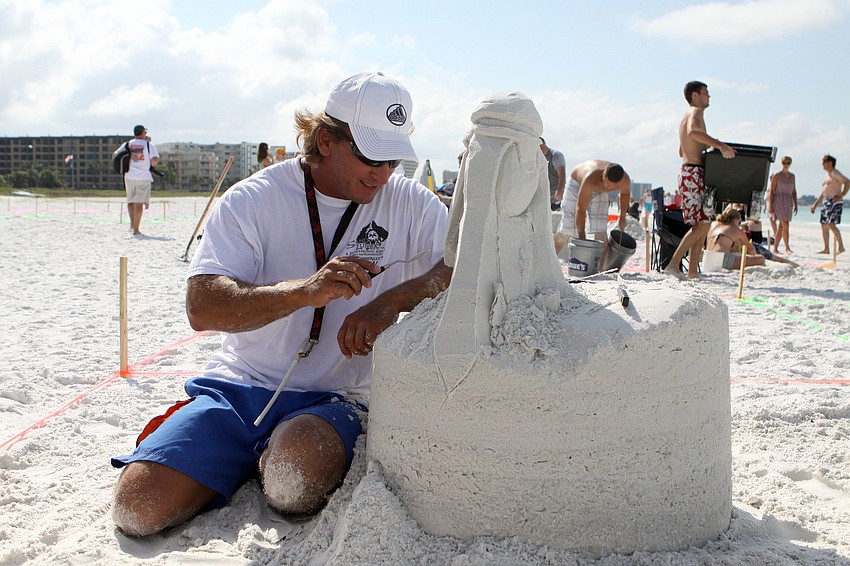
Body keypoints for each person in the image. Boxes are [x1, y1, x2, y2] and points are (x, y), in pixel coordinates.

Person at [110, 72, 453, 537]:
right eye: (372, 155)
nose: (383, 172)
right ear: (326, 140)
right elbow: (202, 307)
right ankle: (230, 452)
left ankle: (257, 458)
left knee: (292, 485)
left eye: (394, 157)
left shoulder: (412, 203)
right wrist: (303, 292)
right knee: (138, 509)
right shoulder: (253, 199)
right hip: (240, 385)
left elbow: (455, 271)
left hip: (339, 395)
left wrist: (391, 301)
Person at [663, 81, 736, 280]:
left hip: (691, 171)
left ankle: (693, 270)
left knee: (702, 223)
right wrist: (720, 146)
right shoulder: (695, 111)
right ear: (695, 95)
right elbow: (693, 133)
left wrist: (699, 150)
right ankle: (672, 264)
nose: (709, 96)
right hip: (692, 173)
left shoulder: (686, 116)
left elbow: (681, 149)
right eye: (706, 93)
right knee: (703, 225)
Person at [554, 160, 631, 268]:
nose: (608, 187)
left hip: (598, 191)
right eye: (606, 182)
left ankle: (598, 270)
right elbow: (580, 209)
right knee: (567, 229)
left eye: (611, 187)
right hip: (577, 184)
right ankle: (549, 262)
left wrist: (622, 217)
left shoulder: (624, 180)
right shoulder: (590, 178)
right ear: (603, 174)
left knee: (601, 232)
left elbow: (625, 194)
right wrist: (582, 238)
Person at [706, 207, 798, 269]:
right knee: (760, 258)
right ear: (735, 220)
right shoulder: (735, 229)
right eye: (740, 221)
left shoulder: (714, 224)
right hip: (722, 261)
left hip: (707, 258)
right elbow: (752, 249)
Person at [112, 125, 159, 235]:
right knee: (139, 204)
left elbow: (115, 154)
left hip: (129, 176)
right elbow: (154, 160)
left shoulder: (128, 144)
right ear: (143, 132)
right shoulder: (149, 145)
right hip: (143, 177)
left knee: (131, 202)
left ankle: (132, 225)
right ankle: (136, 229)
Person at [811, 154, 849, 255]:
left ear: (829, 163)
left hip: (834, 200)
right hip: (826, 201)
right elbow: (824, 192)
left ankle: (841, 247)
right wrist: (815, 204)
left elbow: (847, 182)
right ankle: (826, 248)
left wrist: (841, 195)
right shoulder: (827, 175)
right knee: (824, 225)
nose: (822, 165)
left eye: (824, 162)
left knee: (831, 224)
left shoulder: (835, 173)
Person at [767, 156, 798, 254]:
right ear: (782, 163)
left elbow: (794, 191)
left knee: (781, 226)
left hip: (788, 201)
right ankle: (787, 247)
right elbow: (772, 191)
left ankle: (775, 248)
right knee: (785, 224)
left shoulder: (792, 176)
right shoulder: (777, 175)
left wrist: (796, 204)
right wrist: (770, 205)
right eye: (785, 163)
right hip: (779, 200)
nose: (786, 165)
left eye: (788, 163)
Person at [539, 138, 566, 210]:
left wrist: (560, 191)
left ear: (541, 145)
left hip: (556, 199)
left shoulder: (555, 155)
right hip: (544, 199)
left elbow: (562, 174)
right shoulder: (538, 159)